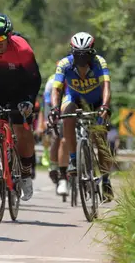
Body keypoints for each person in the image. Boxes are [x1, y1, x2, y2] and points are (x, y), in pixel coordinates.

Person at [0, 13, 42, 201]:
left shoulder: (22, 49)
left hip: (20, 88)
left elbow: (35, 78)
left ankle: (26, 175)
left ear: (9, 35)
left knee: (21, 130)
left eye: (1, 37)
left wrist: (29, 100)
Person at [48, 31, 114, 202]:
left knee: (100, 140)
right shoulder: (64, 64)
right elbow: (56, 89)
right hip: (74, 98)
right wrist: (55, 108)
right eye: (78, 55)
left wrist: (105, 106)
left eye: (85, 55)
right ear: (72, 52)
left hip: (97, 101)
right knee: (66, 114)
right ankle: (73, 159)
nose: (82, 59)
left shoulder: (100, 62)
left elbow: (106, 85)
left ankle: (106, 180)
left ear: (92, 53)